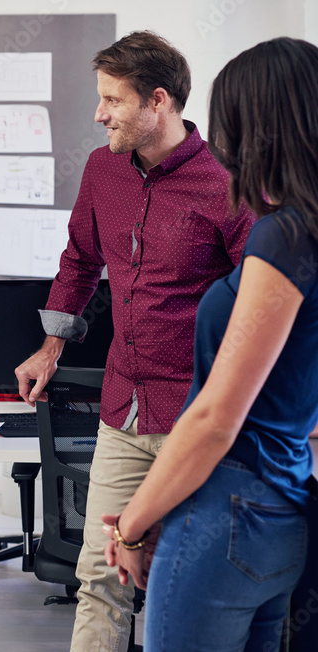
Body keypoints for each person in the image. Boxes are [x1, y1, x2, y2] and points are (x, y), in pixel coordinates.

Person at [12, 31, 256, 651]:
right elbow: (79, 261)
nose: (100, 115)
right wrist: (51, 346)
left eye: (112, 101)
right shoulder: (102, 171)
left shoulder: (227, 184)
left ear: (158, 102)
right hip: (122, 410)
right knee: (100, 577)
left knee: (184, 584)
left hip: (195, 421)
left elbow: (260, 303)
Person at [104, 37, 318, 652]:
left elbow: (216, 418)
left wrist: (136, 524)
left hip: (231, 509)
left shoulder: (282, 239)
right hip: (283, 502)